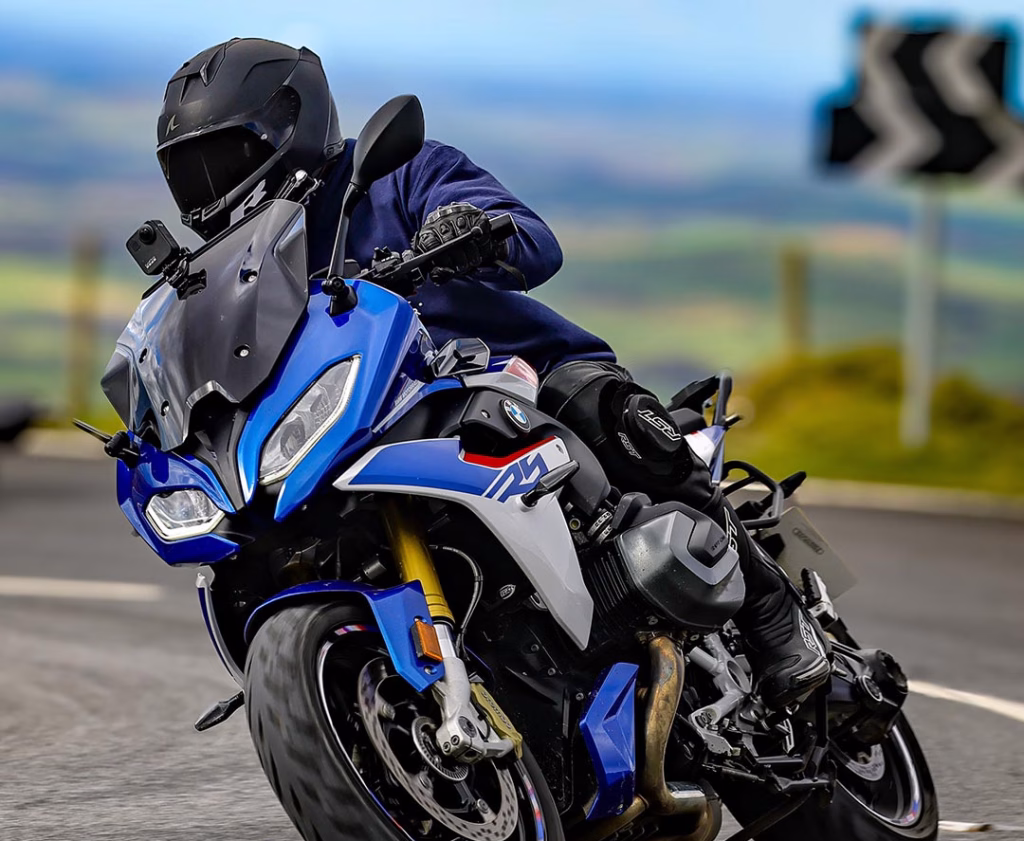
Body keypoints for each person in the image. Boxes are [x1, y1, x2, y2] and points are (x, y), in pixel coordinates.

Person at [154, 37, 829, 709]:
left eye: (227, 157)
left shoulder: (396, 175)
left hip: (517, 377)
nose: (214, 184)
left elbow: (536, 243)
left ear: (292, 125)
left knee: (608, 417)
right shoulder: (245, 269)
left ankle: (775, 616)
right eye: (193, 170)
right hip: (376, 424)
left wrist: (474, 229)